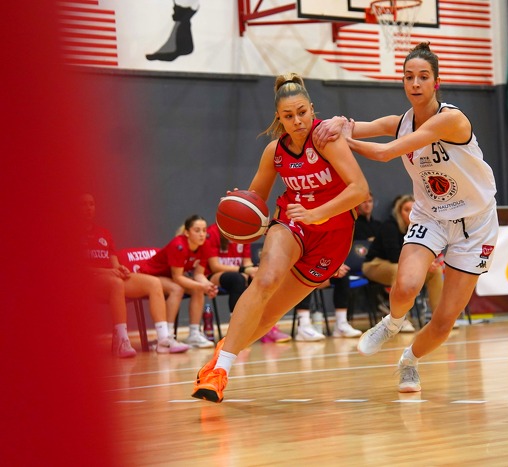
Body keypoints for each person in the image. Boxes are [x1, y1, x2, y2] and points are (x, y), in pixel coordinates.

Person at [315, 42, 499, 393]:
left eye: (423, 77)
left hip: (476, 224)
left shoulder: (452, 119)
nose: (415, 83)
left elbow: (385, 153)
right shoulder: (398, 122)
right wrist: (338, 123)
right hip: (431, 216)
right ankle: (392, 323)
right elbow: (355, 127)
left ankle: (409, 361)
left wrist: (347, 140)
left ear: (436, 83)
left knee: (444, 320)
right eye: (409, 76)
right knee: (406, 285)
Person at [191, 72, 369, 402]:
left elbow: (360, 189)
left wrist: (319, 213)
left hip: (332, 237)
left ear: (312, 109)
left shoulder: (327, 140)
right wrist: (240, 204)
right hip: (293, 222)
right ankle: (220, 372)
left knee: (271, 314)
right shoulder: (274, 151)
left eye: (302, 112)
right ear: (279, 118)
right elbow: (256, 200)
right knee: (265, 280)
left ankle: (220, 354)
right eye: (288, 116)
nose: (297, 121)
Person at [82, 193, 189, 357]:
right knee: (116, 284)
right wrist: (108, 272)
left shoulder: (104, 234)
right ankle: (121, 340)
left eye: (91, 204)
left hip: (111, 278)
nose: (88, 208)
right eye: (83, 204)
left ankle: (163, 340)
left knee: (154, 283)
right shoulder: (70, 234)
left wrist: (120, 269)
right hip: (87, 281)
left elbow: (113, 262)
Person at [362, 194, 445, 333]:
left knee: (435, 271)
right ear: (399, 212)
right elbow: (394, 256)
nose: (410, 213)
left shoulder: (419, 228)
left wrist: (426, 265)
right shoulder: (390, 226)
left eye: (413, 209)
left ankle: (438, 319)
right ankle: (399, 319)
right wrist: (421, 265)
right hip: (374, 264)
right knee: (399, 271)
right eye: (406, 210)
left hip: (404, 265)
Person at [140, 214, 218, 348]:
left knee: (198, 288)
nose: (202, 234)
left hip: (170, 277)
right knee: (177, 289)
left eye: (204, 230)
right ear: (187, 233)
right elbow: (177, 277)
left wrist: (208, 286)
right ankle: (167, 336)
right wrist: (202, 286)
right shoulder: (178, 245)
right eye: (197, 230)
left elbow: (199, 274)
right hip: (150, 276)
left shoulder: (205, 245)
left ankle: (194, 334)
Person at [204, 224, 291, 343]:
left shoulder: (244, 231)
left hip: (239, 273)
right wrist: (243, 270)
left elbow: (247, 262)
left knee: (262, 280)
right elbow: (215, 266)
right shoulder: (213, 232)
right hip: (214, 276)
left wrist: (253, 271)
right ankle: (235, 331)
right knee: (237, 279)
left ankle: (267, 328)